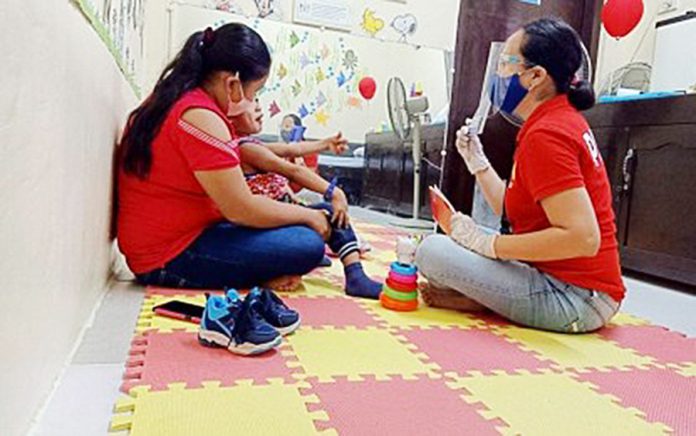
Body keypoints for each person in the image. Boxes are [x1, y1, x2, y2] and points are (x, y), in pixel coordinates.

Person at [416, 18, 624, 333]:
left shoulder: (548, 133)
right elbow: (513, 211)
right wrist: (478, 163)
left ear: (535, 76)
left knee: (432, 252)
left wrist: (489, 245)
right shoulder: (553, 120)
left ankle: (488, 299)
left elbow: (584, 238)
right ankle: (491, 298)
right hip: (573, 285)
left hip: (576, 299)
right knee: (460, 241)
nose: (498, 74)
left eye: (505, 63)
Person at [117, 24, 331, 291]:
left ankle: (254, 270)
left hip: (175, 235)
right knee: (307, 244)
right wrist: (306, 216)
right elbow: (241, 209)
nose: (254, 102)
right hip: (167, 255)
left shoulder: (173, 98)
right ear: (233, 84)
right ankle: (254, 276)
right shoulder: (200, 116)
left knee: (304, 226)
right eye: (256, 92)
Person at [227, 97, 382, 299]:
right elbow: (292, 170)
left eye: (258, 99)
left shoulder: (250, 144)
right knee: (329, 211)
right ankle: (354, 275)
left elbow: (292, 149)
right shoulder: (245, 149)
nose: (258, 105)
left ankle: (352, 271)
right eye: (250, 100)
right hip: (271, 219)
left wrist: (325, 143)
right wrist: (333, 191)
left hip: (283, 211)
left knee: (328, 216)